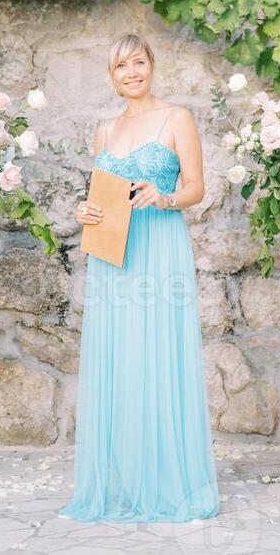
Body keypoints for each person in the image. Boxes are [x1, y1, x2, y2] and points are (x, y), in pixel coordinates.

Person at [58, 31, 219, 522]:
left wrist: (164, 196)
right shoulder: (105, 130)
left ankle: (169, 481)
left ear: (152, 65)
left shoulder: (177, 118)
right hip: (112, 257)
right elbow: (102, 193)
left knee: (159, 356)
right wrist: (86, 209)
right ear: (112, 76)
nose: (131, 72)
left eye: (138, 62)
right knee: (120, 357)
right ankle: (127, 480)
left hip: (159, 249)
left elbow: (197, 188)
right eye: (121, 66)